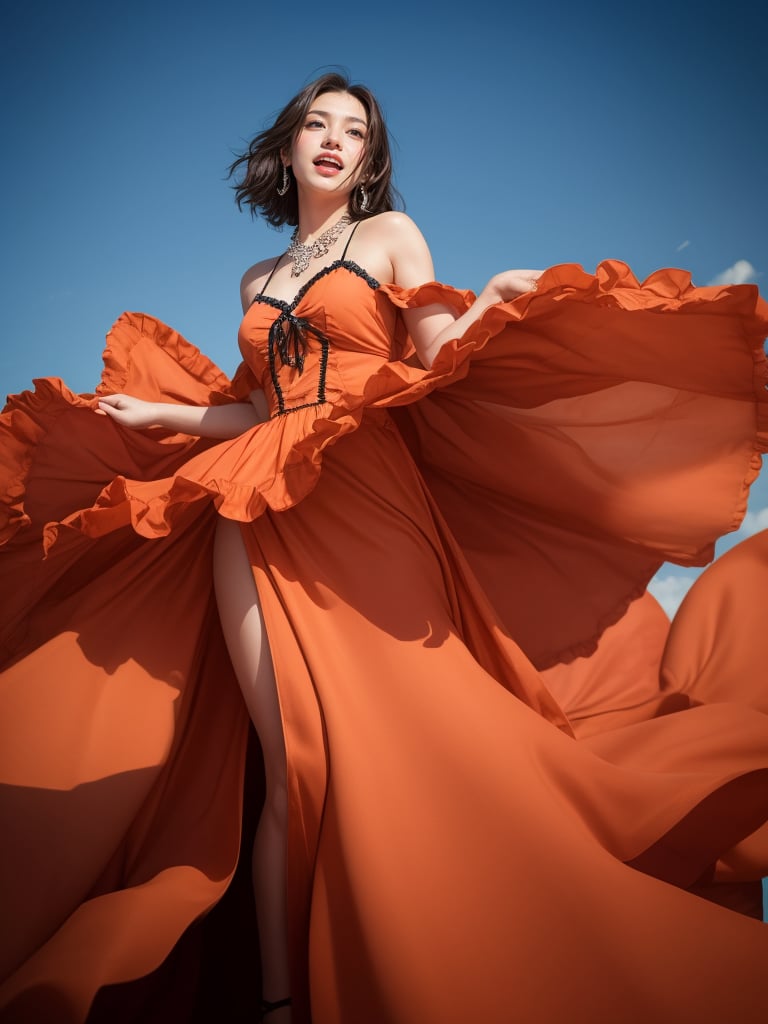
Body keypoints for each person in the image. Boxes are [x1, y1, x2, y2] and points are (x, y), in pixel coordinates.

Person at [1, 71, 768, 1024]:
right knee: (291, 758)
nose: (332, 140)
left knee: (392, 735)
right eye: (316, 125)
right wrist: (156, 409)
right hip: (252, 496)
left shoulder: (391, 238)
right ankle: (283, 996)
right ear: (289, 147)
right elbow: (258, 403)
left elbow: (436, 360)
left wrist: (485, 297)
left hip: (367, 495)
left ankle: (448, 946)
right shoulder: (254, 280)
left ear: (369, 156)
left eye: (352, 130)